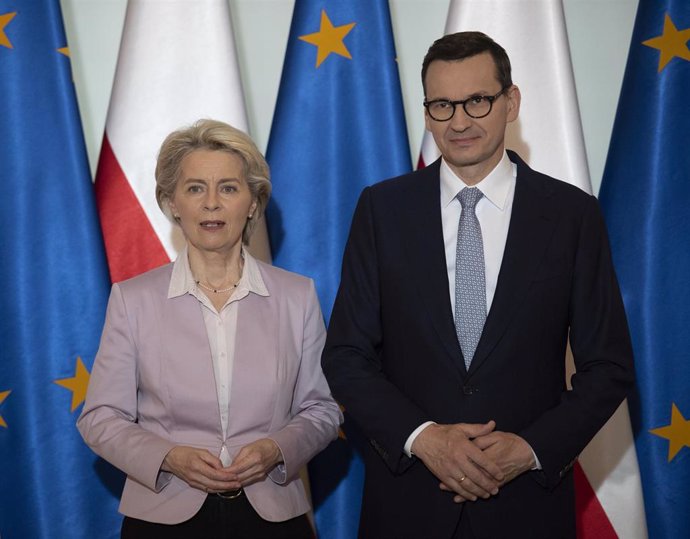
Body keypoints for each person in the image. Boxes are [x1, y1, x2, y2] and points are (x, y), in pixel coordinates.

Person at [322, 32, 634, 539]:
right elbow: (345, 355)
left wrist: (530, 449)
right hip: (408, 506)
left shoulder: (572, 214)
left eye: (477, 101)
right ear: (426, 114)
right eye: (443, 105)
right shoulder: (382, 210)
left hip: (527, 506)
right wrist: (424, 439)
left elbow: (609, 366)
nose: (460, 121)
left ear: (510, 102)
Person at [78, 119, 342, 538]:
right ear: (172, 203)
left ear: (253, 203)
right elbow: (100, 418)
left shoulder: (297, 296)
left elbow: (323, 410)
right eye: (196, 188)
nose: (212, 203)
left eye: (229, 188)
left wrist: (278, 449)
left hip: (272, 516)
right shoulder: (132, 299)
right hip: (161, 516)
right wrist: (167, 456)